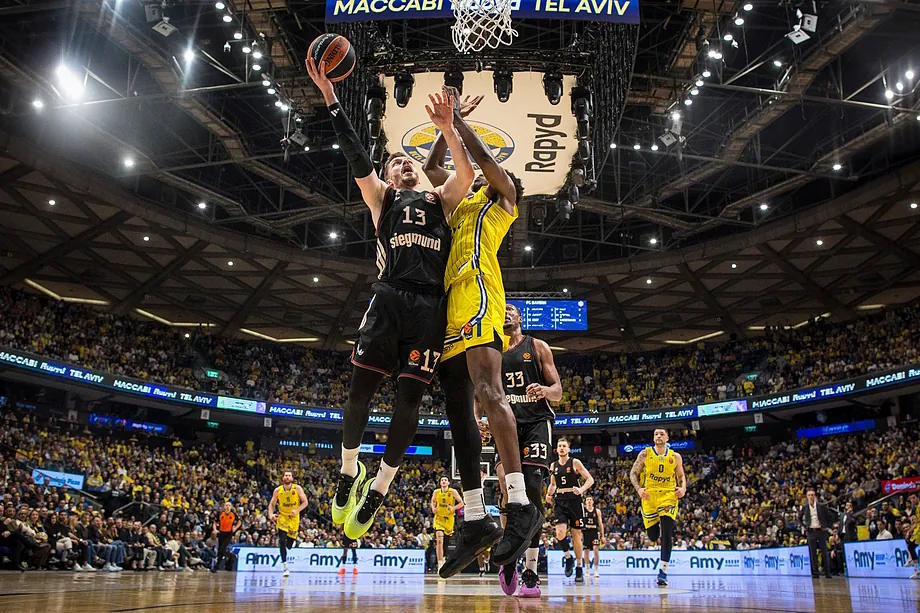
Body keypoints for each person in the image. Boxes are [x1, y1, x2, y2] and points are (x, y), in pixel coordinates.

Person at [305, 58, 474, 542]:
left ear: (420, 173)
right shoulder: (382, 198)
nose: (401, 165)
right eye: (395, 161)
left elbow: (464, 171)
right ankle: (347, 473)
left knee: (409, 401)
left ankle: (379, 488)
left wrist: (450, 126)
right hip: (388, 299)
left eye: (408, 162)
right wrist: (332, 99)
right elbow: (357, 155)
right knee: (359, 393)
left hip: (429, 308)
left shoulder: (442, 199)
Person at [422, 87, 538, 579]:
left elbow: (491, 163)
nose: (486, 177)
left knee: (490, 392)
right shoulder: (460, 205)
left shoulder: (503, 201)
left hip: (481, 292)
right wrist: (444, 129)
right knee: (456, 407)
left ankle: (519, 502)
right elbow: (432, 171)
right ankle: (475, 518)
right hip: (451, 302)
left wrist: (462, 127)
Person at [491, 303, 561, 597]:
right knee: (508, 489)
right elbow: (480, 390)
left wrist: (545, 391)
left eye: (511, 310)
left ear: (520, 318)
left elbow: (557, 392)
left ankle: (529, 570)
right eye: (502, 309)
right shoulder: (491, 350)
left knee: (532, 490)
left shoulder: (538, 346)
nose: (506, 313)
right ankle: (509, 556)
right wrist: (478, 418)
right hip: (506, 424)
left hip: (535, 422)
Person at [629, 428, 687, 587]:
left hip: (668, 496)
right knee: (653, 536)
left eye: (662, 434)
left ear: (667, 437)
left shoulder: (675, 456)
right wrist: (639, 489)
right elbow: (633, 473)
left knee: (667, 533)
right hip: (649, 496)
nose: (659, 436)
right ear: (653, 438)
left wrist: (683, 489)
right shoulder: (645, 454)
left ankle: (663, 571)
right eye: (656, 434)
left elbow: (681, 477)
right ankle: (654, 529)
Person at [546, 438, 594, 584]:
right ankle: (568, 557)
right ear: (557, 449)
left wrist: (581, 489)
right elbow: (553, 484)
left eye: (564, 446)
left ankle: (579, 567)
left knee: (576, 535)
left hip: (574, 501)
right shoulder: (553, 465)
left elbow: (590, 479)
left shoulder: (575, 462)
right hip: (560, 501)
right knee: (559, 533)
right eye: (559, 446)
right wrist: (549, 494)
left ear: (568, 449)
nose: (561, 448)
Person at [267, 470, 308, 577]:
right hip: (282, 517)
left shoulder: (297, 488)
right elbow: (271, 504)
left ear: (292, 478)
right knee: (282, 540)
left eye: (289, 475)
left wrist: (297, 510)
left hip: (294, 518)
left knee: (289, 545)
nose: (287, 477)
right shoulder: (277, 490)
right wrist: (271, 514)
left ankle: (291, 541)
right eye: (285, 475)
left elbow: (305, 502)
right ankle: (285, 566)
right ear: (283, 478)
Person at [797, 489, 833, 579]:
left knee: (824, 552)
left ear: (815, 496)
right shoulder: (805, 507)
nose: (811, 497)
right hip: (811, 531)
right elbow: (799, 518)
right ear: (807, 497)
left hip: (821, 531)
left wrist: (827, 526)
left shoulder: (821, 506)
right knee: (813, 553)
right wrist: (804, 526)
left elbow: (830, 516)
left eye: (812, 495)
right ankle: (815, 573)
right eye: (809, 495)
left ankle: (827, 573)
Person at [430, 476, 463, 572]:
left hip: (449, 519)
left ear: (448, 483)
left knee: (445, 543)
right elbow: (432, 501)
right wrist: (433, 508)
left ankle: (443, 557)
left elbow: (461, 503)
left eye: (445, 480)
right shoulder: (436, 492)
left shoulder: (452, 492)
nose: (443, 481)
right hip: (439, 518)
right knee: (439, 539)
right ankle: (440, 563)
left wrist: (453, 508)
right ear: (440, 483)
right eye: (442, 480)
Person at [211, 501, 240, 572]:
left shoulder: (233, 514)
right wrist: (215, 529)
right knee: (220, 551)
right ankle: (217, 566)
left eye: (229, 505)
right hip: (221, 533)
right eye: (226, 505)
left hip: (229, 534)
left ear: (231, 507)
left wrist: (235, 528)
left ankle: (229, 559)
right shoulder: (220, 514)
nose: (227, 507)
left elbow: (239, 521)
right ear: (224, 507)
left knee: (222, 549)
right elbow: (215, 522)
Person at [582, 495, 604, 579]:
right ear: (585, 502)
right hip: (585, 532)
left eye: (590, 500)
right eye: (587, 500)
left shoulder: (597, 511)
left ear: (593, 502)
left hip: (594, 532)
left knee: (596, 550)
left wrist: (602, 535)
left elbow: (600, 524)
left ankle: (596, 570)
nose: (589, 501)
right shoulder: (583, 510)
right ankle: (587, 569)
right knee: (586, 552)